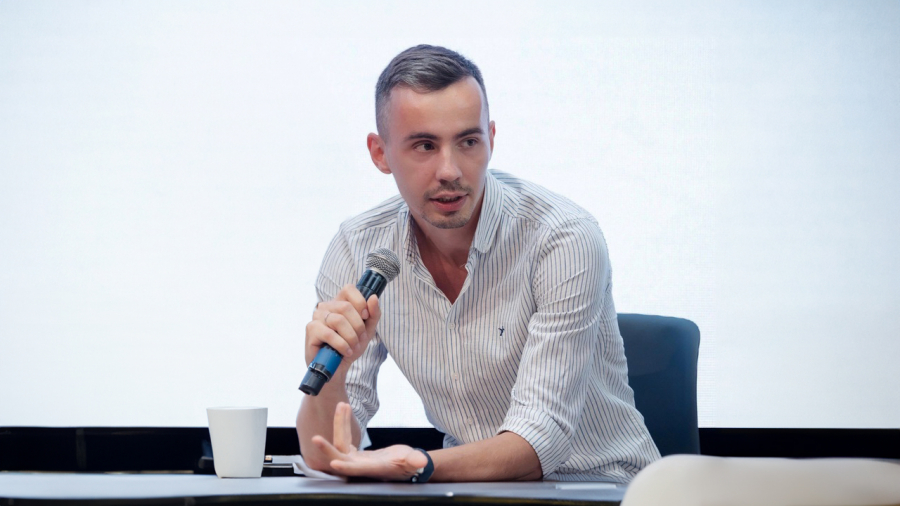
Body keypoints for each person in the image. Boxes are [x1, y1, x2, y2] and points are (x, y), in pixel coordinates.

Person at [296, 44, 660, 483]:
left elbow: (540, 440)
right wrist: (333, 377)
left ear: (491, 138)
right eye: (425, 146)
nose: (450, 170)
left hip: (601, 487)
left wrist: (422, 465)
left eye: (468, 142)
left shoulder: (561, 238)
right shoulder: (358, 247)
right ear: (380, 153)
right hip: (467, 488)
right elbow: (329, 452)